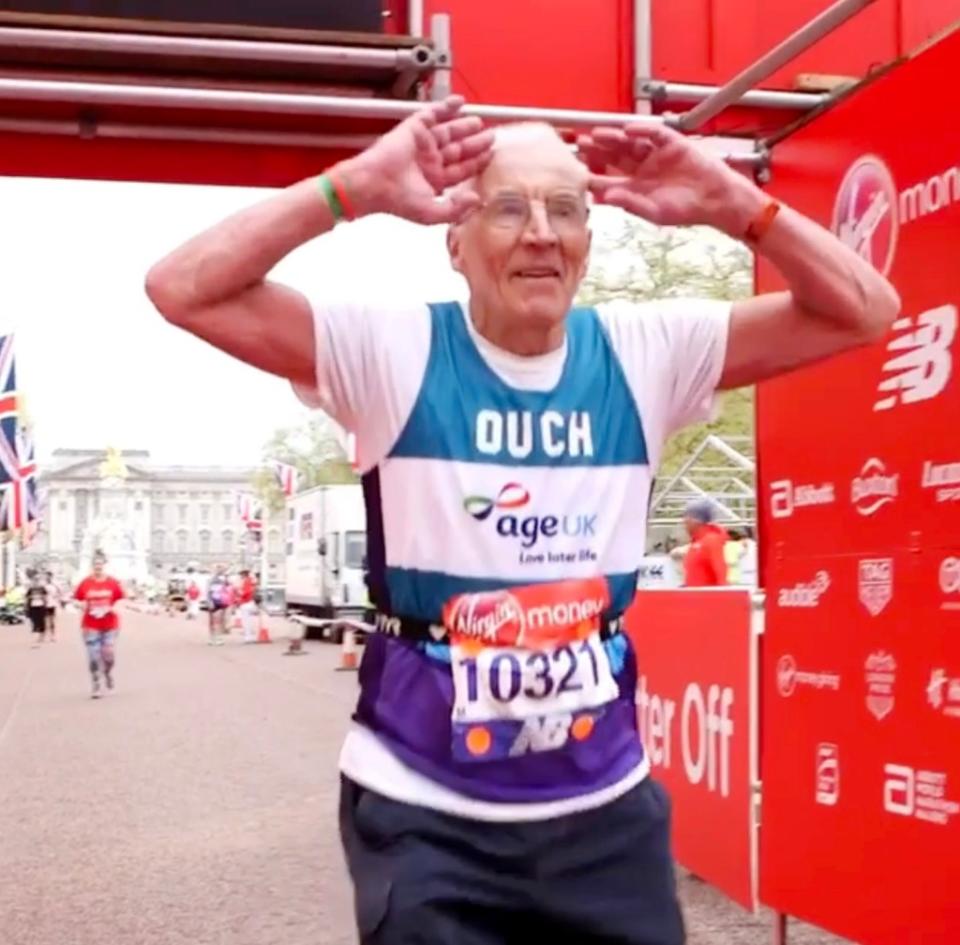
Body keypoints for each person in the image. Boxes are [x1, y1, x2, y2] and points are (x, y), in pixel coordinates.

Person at [146, 96, 899, 944]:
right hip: (427, 806)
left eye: (565, 209)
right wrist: (350, 189)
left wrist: (733, 202)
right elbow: (182, 287)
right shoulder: (391, 349)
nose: (541, 232)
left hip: (604, 809)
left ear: (587, 240)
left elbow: (866, 309)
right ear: (455, 243)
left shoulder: (649, 349)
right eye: (508, 207)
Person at [73, 551, 124, 698]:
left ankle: (107, 673)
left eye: (100, 565)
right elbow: (76, 599)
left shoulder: (112, 582)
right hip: (91, 624)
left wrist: (113, 608)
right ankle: (96, 683)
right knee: (93, 656)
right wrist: (80, 605)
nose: (98, 567)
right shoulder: (86, 583)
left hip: (110, 623)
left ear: (104, 566)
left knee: (108, 655)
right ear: (92, 567)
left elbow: (121, 599)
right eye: (95, 565)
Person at [681, 499, 729, 587]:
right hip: (695, 597)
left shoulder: (711, 540)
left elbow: (721, 572)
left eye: (687, 517)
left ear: (696, 520)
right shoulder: (697, 542)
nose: (684, 521)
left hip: (706, 598)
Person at [206, 564, 230, 646]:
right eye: (217, 568)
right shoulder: (210, 580)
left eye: (220, 568)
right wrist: (209, 601)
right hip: (213, 601)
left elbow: (228, 589)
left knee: (220, 620)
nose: (219, 570)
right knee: (212, 621)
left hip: (221, 602)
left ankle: (219, 638)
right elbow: (208, 592)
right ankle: (212, 637)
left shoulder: (225, 579)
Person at [26, 571, 49, 647]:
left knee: (41, 621)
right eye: (34, 580)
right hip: (33, 606)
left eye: (37, 580)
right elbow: (27, 597)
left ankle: (42, 636)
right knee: (34, 620)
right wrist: (31, 598)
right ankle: (36, 634)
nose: (36, 581)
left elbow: (45, 597)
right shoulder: (31, 589)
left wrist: (42, 599)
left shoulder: (42, 588)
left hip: (41, 606)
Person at [237, 568, 259, 643]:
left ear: (244, 574)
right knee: (250, 621)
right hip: (251, 602)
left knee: (246, 621)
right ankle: (251, 637)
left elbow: (244, 593)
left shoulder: (246, 581)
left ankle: (248, 637)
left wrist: (239, 593)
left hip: (246, 602)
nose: (240, 576)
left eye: (241, 574)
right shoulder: (252, 581)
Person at [44, 572, 60, 641]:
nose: (48, 578)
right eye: (47, 577)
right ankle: (44, 636)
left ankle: (52, 636)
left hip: (52, 605)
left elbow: (59, 592)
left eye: (49, 576)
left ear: (51, 577)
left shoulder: (54, 585)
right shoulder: (44, 585)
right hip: (45, 605)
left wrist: (56, 597)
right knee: (45, 621)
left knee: (52, 621)